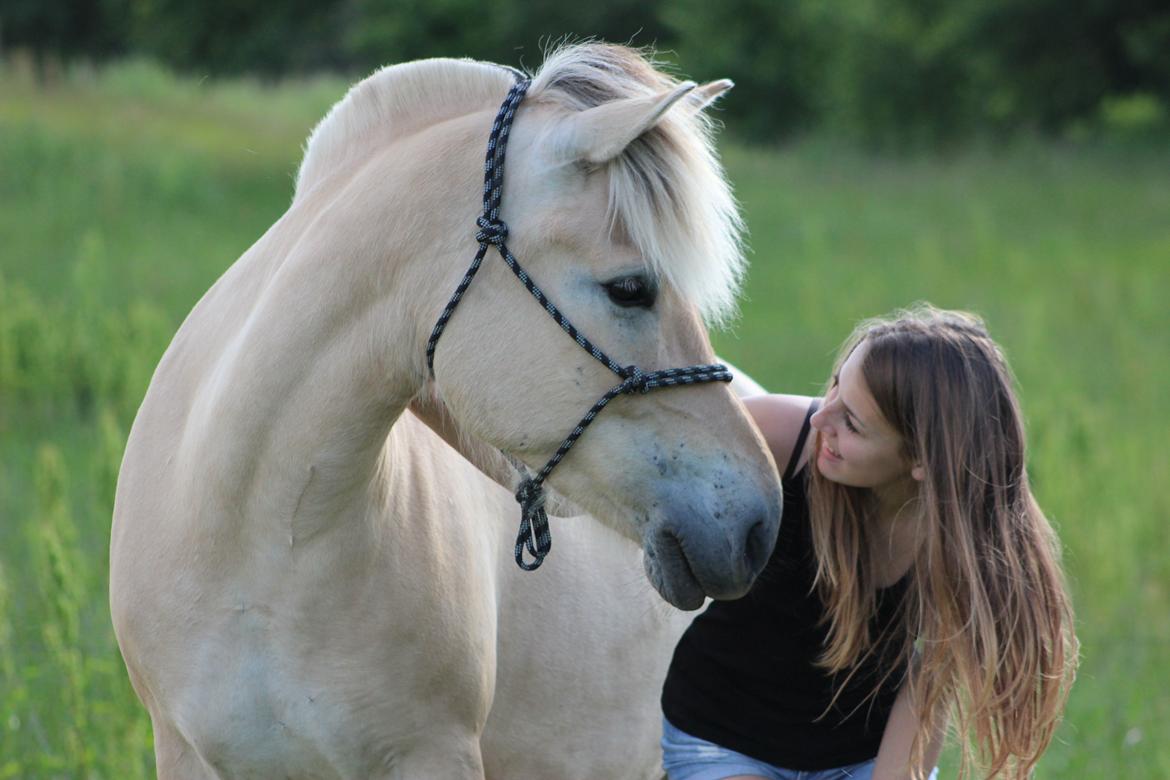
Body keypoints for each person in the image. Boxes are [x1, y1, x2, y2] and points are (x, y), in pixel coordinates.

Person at [661, 304, 1078, 780]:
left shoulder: (960, 537)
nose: (823, 419)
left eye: (853, 424)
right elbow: (657, 454)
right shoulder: (781, 438)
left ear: (921, 460)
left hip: (857, 755)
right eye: (836, 385)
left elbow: (928, 684)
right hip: (723, 736)